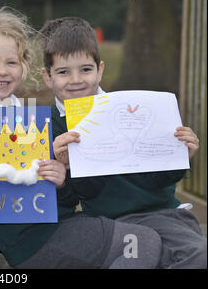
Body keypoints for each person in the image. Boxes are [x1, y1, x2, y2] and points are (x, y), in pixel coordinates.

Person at [0, 7, 162, 269]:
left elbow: (61, 200)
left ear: (24, 66)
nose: (2, 71)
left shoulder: (32, 120)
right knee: (142, 243)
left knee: (143, 243)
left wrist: (60, 178)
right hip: (32, 242)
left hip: (58, 227)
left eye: (11, 62)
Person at [42, 17, 206, 268]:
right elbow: (80, 194)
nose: (76, 80)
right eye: (63, 72)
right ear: (47, 77)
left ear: (100, 70)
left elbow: (158, 181)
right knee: (141, 255)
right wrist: (62, 164)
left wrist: (181, 157)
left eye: (85, 69)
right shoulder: (50, 128)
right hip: (106, 225)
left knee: (198, 255)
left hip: (161, 213)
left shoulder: (134, 108)